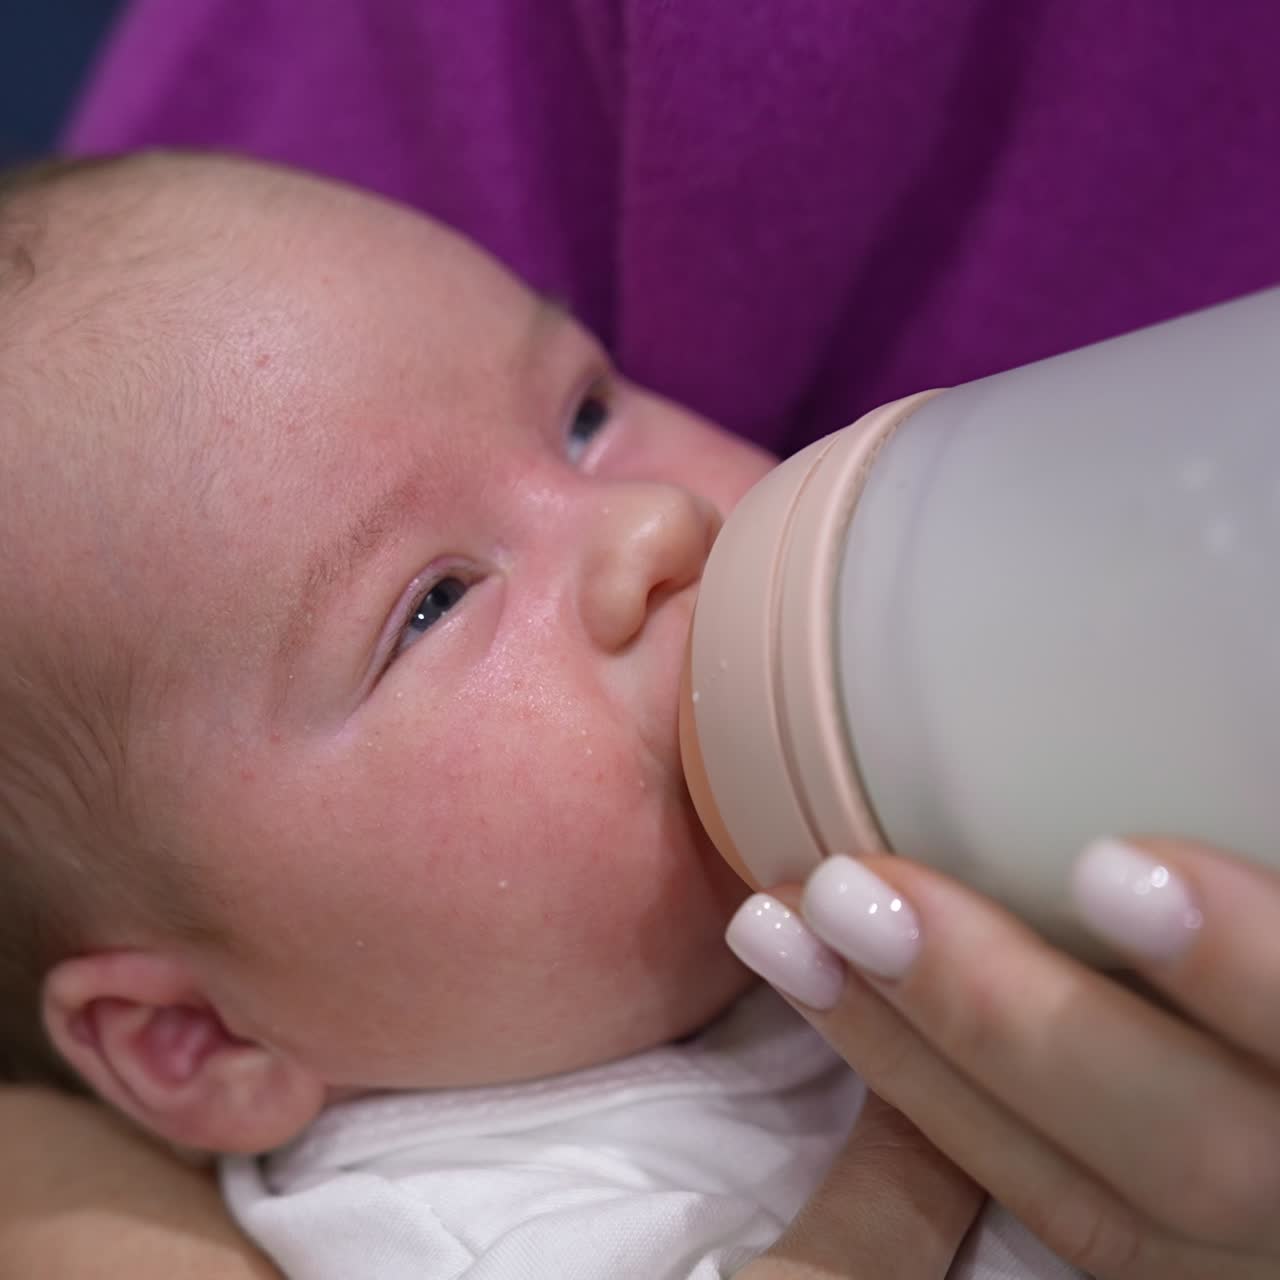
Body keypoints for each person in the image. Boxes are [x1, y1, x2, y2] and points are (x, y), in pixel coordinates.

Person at [9, 2, 1280, 1275]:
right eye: (434, 603)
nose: (649, 526)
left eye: (584, 411)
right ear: (203, 1043)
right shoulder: (484, 1232)